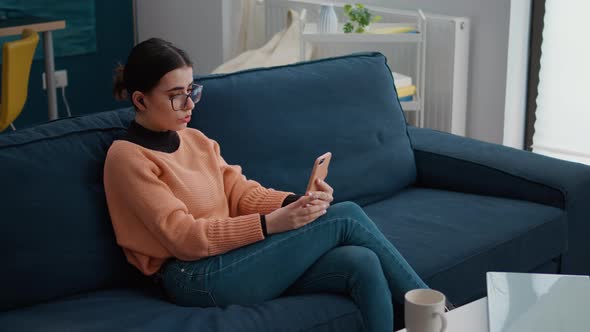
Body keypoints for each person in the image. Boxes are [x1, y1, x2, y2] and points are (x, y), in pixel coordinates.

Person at [103, 38, 430, 332]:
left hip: (234, 258)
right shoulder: (128, 158)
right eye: (176, 96)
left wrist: (295, 203)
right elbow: (184, 238)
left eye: (192, 92)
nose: (190, 105)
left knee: (362, 262)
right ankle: (440, 314)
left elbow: (240, 192)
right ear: (141, 101)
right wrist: (270, 224)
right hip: (191, 277)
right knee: (345, 216)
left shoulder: (196, 140)